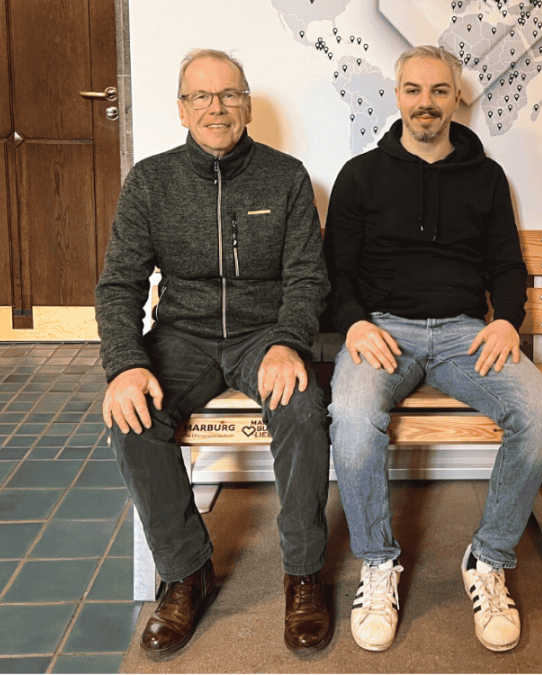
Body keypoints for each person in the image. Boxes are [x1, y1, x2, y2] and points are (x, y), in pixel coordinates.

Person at [325, 45, 542, 653]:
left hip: (464, 333)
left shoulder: (486, 177)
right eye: (413, 90)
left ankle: (488, 559)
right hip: (383, 330)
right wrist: (354, 324)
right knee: (351, 413)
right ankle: (377, 564)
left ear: (457, 98)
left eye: (438, 91)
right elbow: (337, 272)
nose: (425, 103)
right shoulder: (360, 175)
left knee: (540, 410)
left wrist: (506, 321)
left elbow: (507, 265)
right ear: (397, 96)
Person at [95, 49, 332, 656]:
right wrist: (126, 365)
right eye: (200, 96)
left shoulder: (286, 176)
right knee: (132, 416)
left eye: (228, 95)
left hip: (264, 335)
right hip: (183, 335)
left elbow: (307, 277)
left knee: (303, 408)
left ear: (246, 105)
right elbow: (119, 285)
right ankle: (186, 572)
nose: (215, 108)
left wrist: (288, 342)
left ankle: (304, 574)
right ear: (181, 109)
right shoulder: (150, 182)